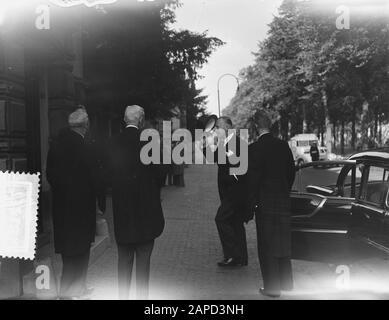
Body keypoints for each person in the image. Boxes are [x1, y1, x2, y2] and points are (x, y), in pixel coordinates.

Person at [105, 105, 165, 300]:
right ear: (141, 120)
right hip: (147, 212)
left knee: (123, 258)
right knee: (144, 260)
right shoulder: (150, 142)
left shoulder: (113, 142)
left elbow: (108, 176)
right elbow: (160, 175)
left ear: (125, 120)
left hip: (123, 211)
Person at [46, 107, 101, 299]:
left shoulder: (55, 146)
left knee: (68, 252)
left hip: (62, 208)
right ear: (85, 125)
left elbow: (50, 176)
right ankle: (76, 289)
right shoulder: (87, 147)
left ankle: (68, 289)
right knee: (82, 249)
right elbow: (95, 179)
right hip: (82, 208)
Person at [246, 112, 296, 298]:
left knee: (266, 245)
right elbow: (291, 172)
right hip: (282, 200)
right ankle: (286, 283)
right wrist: (283, 190)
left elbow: (252, 180)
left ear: (256, 128)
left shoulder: (254, 149)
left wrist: (251, 204)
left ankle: (272, 288)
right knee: (282, 242)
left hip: (264, 203)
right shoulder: (283, 146)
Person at [203, 117, 248, 267]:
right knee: (235, 222)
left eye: (219, 127)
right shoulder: (226, 143)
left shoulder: (236, 143)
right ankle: (241, 258)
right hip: (230, 191)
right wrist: (204, 144)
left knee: (221, 219)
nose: (217, 130)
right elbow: (213, 157)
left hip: (234, 192)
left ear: (229, 126)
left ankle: (232, 255)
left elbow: (240, 168)